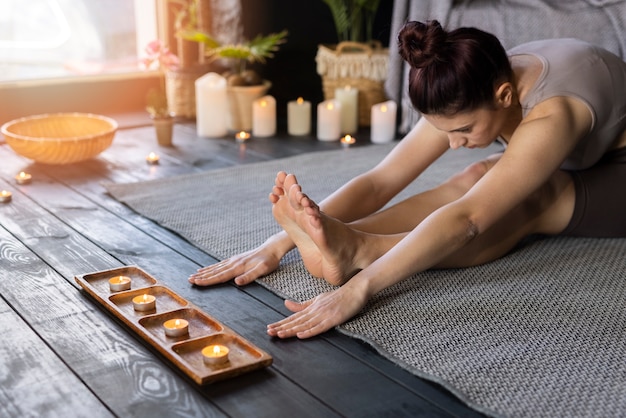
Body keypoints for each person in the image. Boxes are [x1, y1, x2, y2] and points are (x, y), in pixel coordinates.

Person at [189, 20, 626, 339]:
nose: (453, 144)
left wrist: (362, 286)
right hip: (579, 151)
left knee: (527, 202)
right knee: (475, 174)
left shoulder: (552, 112)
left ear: (505, 97)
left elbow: (470, 218)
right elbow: (383, 180)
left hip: (617, 173)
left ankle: (358, 251)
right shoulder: (466, 78)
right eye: (446, 132)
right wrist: (277, 244)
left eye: (463, 131)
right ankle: (342, 241)